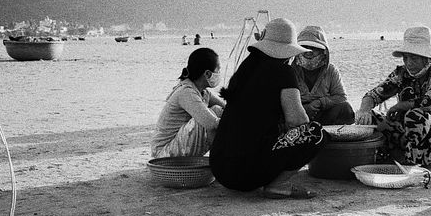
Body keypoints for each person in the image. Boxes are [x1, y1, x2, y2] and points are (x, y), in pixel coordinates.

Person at [210, 18, 325, 198]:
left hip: (220, 169)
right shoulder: (284, 72)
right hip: (246, 173)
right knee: (316, 133)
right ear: (289, 52)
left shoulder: (246, 68)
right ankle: (279, 185)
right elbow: (297, 120)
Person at [355, 26, 431, 168]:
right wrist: (364, 110)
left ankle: (424, 164)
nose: (408, 62)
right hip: (407, 135)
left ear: (426, 57)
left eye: (414, 58)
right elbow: (373, 95)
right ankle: (388, 157)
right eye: (406, 58)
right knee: (370, 118)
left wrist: (399, 106)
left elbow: (429, 103)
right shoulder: (401, 73)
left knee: (415, 115)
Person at [150, 48, 225, 158]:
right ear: (208, 74)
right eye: (218, 70)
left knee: (218, 110)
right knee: (212, 118)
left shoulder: (201, 92)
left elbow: (226, 109)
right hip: (163, 153)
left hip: (174, 147)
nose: (219, 74)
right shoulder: (186, 92)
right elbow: (211, 123)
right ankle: (220, 161)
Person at [291, 25, 355, 125]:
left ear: (323, 51)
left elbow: (341, 97)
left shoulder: (331, 70)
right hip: (298, 117)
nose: (309, 52)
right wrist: (304, 108)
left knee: (345, 108)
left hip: (323, 114)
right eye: (305, 48)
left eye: (313, 48)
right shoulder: (291, 70)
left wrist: (321, 102)